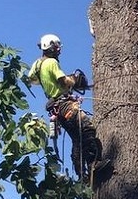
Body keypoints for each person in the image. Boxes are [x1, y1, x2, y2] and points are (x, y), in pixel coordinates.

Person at [28, 33, 110, 181]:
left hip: (56, 108)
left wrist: (47, 80)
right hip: (64, 105)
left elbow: (31, 79)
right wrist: (74, 80)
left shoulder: (38, 65)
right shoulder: (51, 63)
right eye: (57, 47)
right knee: (86, 127)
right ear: (51, 47)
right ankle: (93, 163)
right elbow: (63, 80)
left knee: (77, 138)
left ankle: (82, 175)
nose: (59, 49)